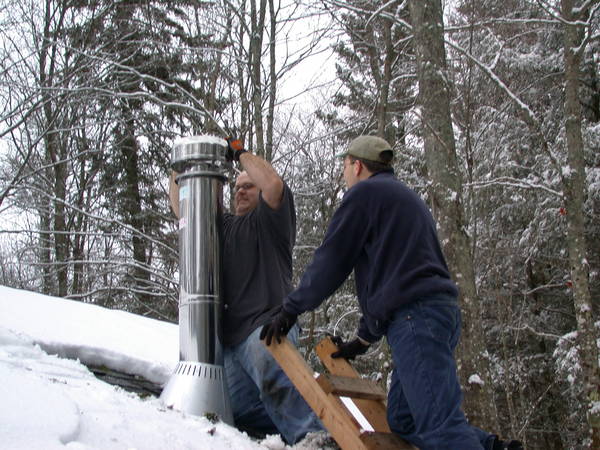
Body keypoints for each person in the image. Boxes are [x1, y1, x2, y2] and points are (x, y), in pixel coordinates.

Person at [261, 135, 523, 450]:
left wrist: (291, 308)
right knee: (405, 419)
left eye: (345, 166)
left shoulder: (364, 195)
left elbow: (332, 260)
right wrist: (363, 339)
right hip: (435, 315)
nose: (344, 174)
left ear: (356, 166)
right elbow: (395, 275)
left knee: (440, 427)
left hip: (416, 318)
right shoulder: (404, 198)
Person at [169, 139, 322, 445]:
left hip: (266, 326)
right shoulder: (219, 228)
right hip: (231, 342)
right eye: (236, 187)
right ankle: (297, 427)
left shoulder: (270, 222)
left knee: (271, 371)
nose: (240, 190)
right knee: (230, 407)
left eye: (248, 186)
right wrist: (179, 170)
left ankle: (315, 437)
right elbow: (182, 207)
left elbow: (274, 185)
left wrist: (239, 154)